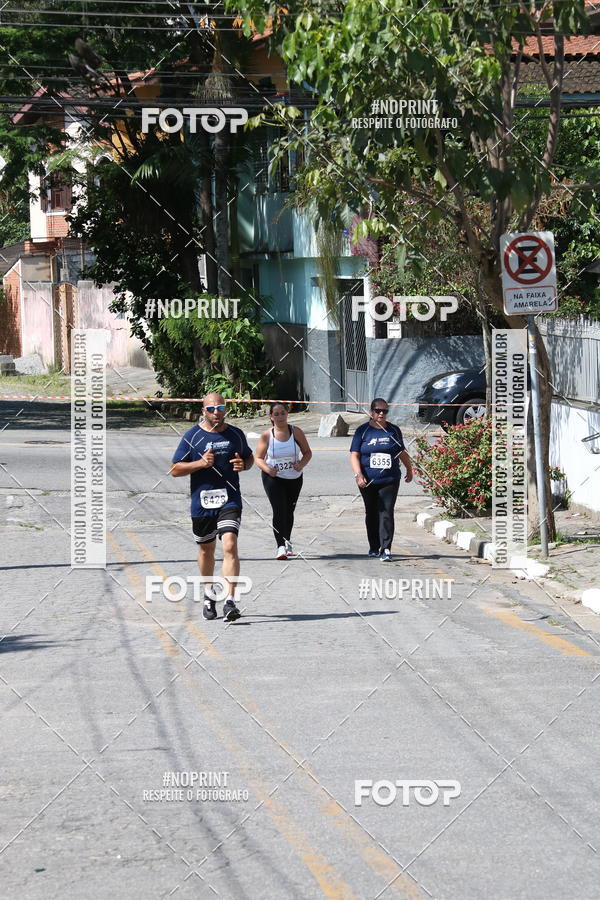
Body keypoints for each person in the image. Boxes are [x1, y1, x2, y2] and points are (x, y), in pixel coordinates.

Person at [171, 392, 254, 621]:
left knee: (230, 545)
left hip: (230, 499)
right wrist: (200, 463)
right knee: (206, 550)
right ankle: (209, 594)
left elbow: (248, 458)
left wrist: (243, 464)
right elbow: (175, 469)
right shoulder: (192, 436)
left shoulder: (236, 434)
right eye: (211, 409)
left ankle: (230, 601)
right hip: (202, 502)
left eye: (220, 408)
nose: (216, 412)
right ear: (203, 412)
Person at [349, 397, 413, 562]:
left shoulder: (393, 431)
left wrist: (409, 468)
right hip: (367, 479)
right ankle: (373, 546)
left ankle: (386, 548)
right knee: (371, 512)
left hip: (389, 479)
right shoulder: (362, 431)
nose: (382, 414)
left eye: (385, 411)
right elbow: (354, 454)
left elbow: (401, 452)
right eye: (378, 411)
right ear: (371, 412)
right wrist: (358, 475)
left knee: (386, 511)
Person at [255, 401, 312, 559]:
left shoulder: (296, 432)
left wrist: (300, 465)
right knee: (279, 510)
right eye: (276, 414)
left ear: (287, 414)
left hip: (294, 477)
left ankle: (287, 541)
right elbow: (258, 458)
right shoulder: (267, 435)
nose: (280, 416)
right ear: (271, 417)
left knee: (289, 510)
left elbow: (307, 452)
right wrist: (268, 470)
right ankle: (280, 546)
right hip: (273, 478)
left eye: (282, 413)